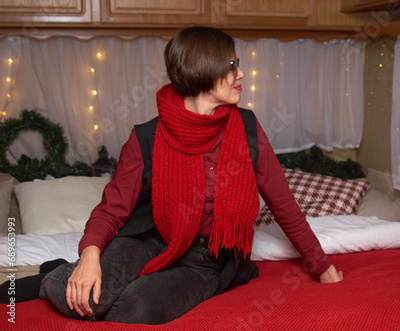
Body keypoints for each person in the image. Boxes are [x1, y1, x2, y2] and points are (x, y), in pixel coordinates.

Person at [38, 26, 343, 325]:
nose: (241, 74)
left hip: (205, 261)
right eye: (232, 65)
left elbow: (283, 204)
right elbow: (111, 209)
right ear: (203, 70)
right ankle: (61, 274)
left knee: (137, 307)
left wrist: (322, 266)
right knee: (77, 295)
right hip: (147, 241)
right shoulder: (146, 136)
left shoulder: (247, 128)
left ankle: (86, 275)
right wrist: (91, 257)